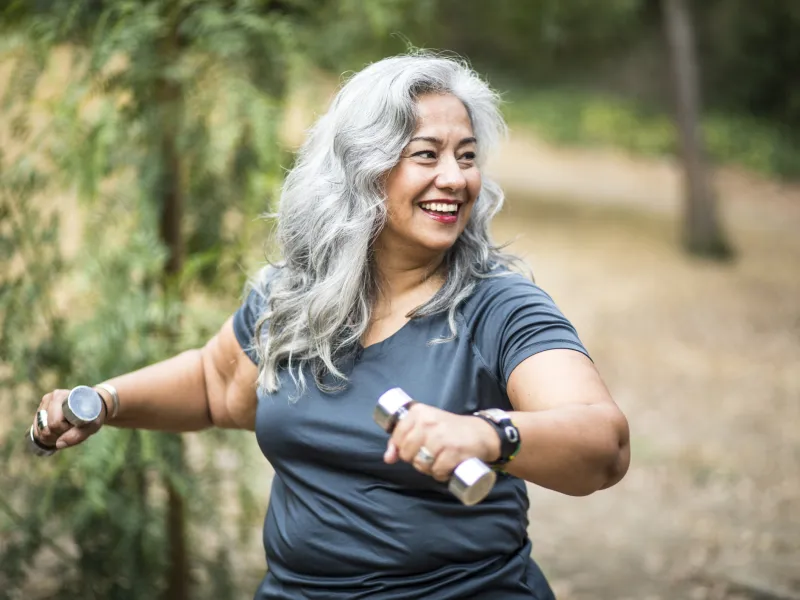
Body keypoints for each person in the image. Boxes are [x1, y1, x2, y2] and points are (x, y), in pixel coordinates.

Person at [30, 53, 631, 599]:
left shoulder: (500, 308)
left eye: (467, 156)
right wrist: (104, 401)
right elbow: (217, 386)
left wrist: (489, 436)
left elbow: (603, 444)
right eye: (427, 154)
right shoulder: (294, 295)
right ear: (363, 169)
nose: (456, 178)